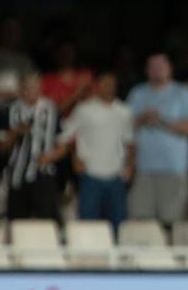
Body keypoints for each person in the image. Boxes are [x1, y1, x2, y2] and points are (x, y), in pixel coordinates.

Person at [42, 71, 135, 235]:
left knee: (119, 225)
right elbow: (64, 136)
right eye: (104, 83)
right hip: (90, 175)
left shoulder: (124, 111)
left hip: (116, 176)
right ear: (97, 86)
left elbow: (130, 142)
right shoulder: (84, 109)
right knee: (88, 223)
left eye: (111, 84)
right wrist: (75, 157)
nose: (108, 87)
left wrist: (130, 166)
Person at [127, 53, 188, 226]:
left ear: (170, 69)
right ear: (146, 70)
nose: (157, 71)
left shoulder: (182, 93)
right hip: (143, 169)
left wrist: (163, 121)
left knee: (172, 221)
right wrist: (142, 119)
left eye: (161, 66)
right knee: (141, 219)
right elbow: (125, 126)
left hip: (174, 169)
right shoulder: (137, 93)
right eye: (153, 67)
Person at [0, 73, 60, 222]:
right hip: (17, 174)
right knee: (17, 220)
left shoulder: (51, 109)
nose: (31, 92)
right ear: (20, 90)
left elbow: (63, 143)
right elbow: (2, 147)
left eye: (35, 88)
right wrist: (15, 132)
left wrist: (51, 156)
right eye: (27, 88)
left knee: (46, 220)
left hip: (43, 172)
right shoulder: (9, 111)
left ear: (40, 89)